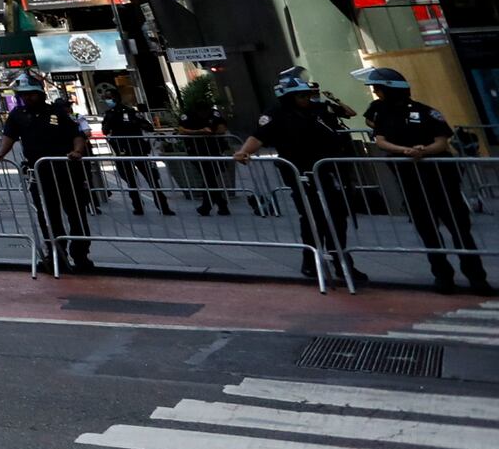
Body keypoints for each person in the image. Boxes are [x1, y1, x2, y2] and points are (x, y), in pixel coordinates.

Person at [359, 65, 491, 294]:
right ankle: (443, 276)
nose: (376, 94)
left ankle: (476, 277)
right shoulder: (383, 114)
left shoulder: (426, 112)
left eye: (378, 89)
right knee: (427, 230)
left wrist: (425, 150)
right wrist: (404, 151)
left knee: (459, 228)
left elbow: (442, 140)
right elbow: (381, 140)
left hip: (440, 178)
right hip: (410, 179)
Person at [236, 70, 361, 288]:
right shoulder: (275, 114)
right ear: (288, 97)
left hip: (327, 168)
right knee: (312, 216)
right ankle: (311, 260)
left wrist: (333, 100)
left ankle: (342, 261)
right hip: (299, 172)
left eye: (306, 95)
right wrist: (244, 152)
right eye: (300, 96)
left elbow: (349, 113)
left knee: (338, 215)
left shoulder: (320, 109)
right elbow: (259, 136)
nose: (305, 99)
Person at [0, 74, 93, 272]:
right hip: (40, 173)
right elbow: (9, 136)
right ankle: (56, 253)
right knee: (47, 215)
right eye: (23, 95)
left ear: (39, 94)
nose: (27, 98)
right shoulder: (18, 114)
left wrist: (77, 151)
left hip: (66, 171)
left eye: (31, 94)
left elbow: (77, 135)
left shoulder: (57, 112)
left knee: (76, 212)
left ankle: (81, 254)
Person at [99, 85, 174, 217]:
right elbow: (105, 130)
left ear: (116, 98)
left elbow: (148, 126)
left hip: (138, 149)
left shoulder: (131, 112)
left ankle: (163, 206)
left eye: (109, 97)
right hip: (123, 151)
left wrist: (133, 124)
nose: (107, 100)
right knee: (130, 181)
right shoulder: (109, 114)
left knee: (151, 179)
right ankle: (138, 206)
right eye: (106, 98)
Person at [175, 90, 234, 216]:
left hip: (214, 150)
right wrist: (200, 132)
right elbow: (181, 130)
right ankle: (217, 204)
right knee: (209, 177)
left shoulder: (214, 114)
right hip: (197, 150)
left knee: (209, 178)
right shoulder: (188, 115)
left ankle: (211, 205)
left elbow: (222, 128)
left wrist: (212, 132)